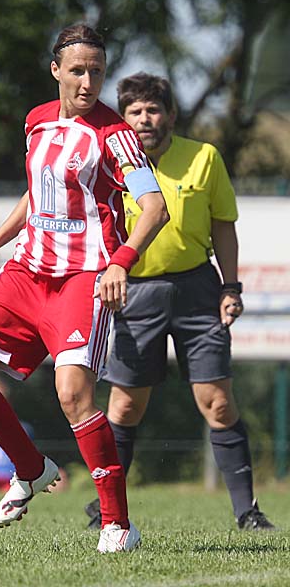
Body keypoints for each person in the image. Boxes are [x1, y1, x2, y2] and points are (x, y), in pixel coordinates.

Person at [0, 27, 169, 553]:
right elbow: (35, 193)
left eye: (97, 71)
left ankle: (117, 524)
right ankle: (30, 468)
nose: (88, 81)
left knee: (73, 394)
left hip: (85, 277)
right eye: (78, 70)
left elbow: (155, 208)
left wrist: (121, 263)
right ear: (56, 71)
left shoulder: (116, 134)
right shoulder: (37, 121)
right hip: (26, 272)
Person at [85, 72, 275, 532]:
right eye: (134, 111)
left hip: (197, 290)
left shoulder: (204, 158)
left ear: (171, 115)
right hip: (132, 293)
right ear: (123, 119)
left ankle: (247, 511)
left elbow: (223, 226)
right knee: (124, 408)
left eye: (153, 109)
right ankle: (107, 512)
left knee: (218, 403)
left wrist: (231, 287)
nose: (144, 119)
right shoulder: (107, 160)